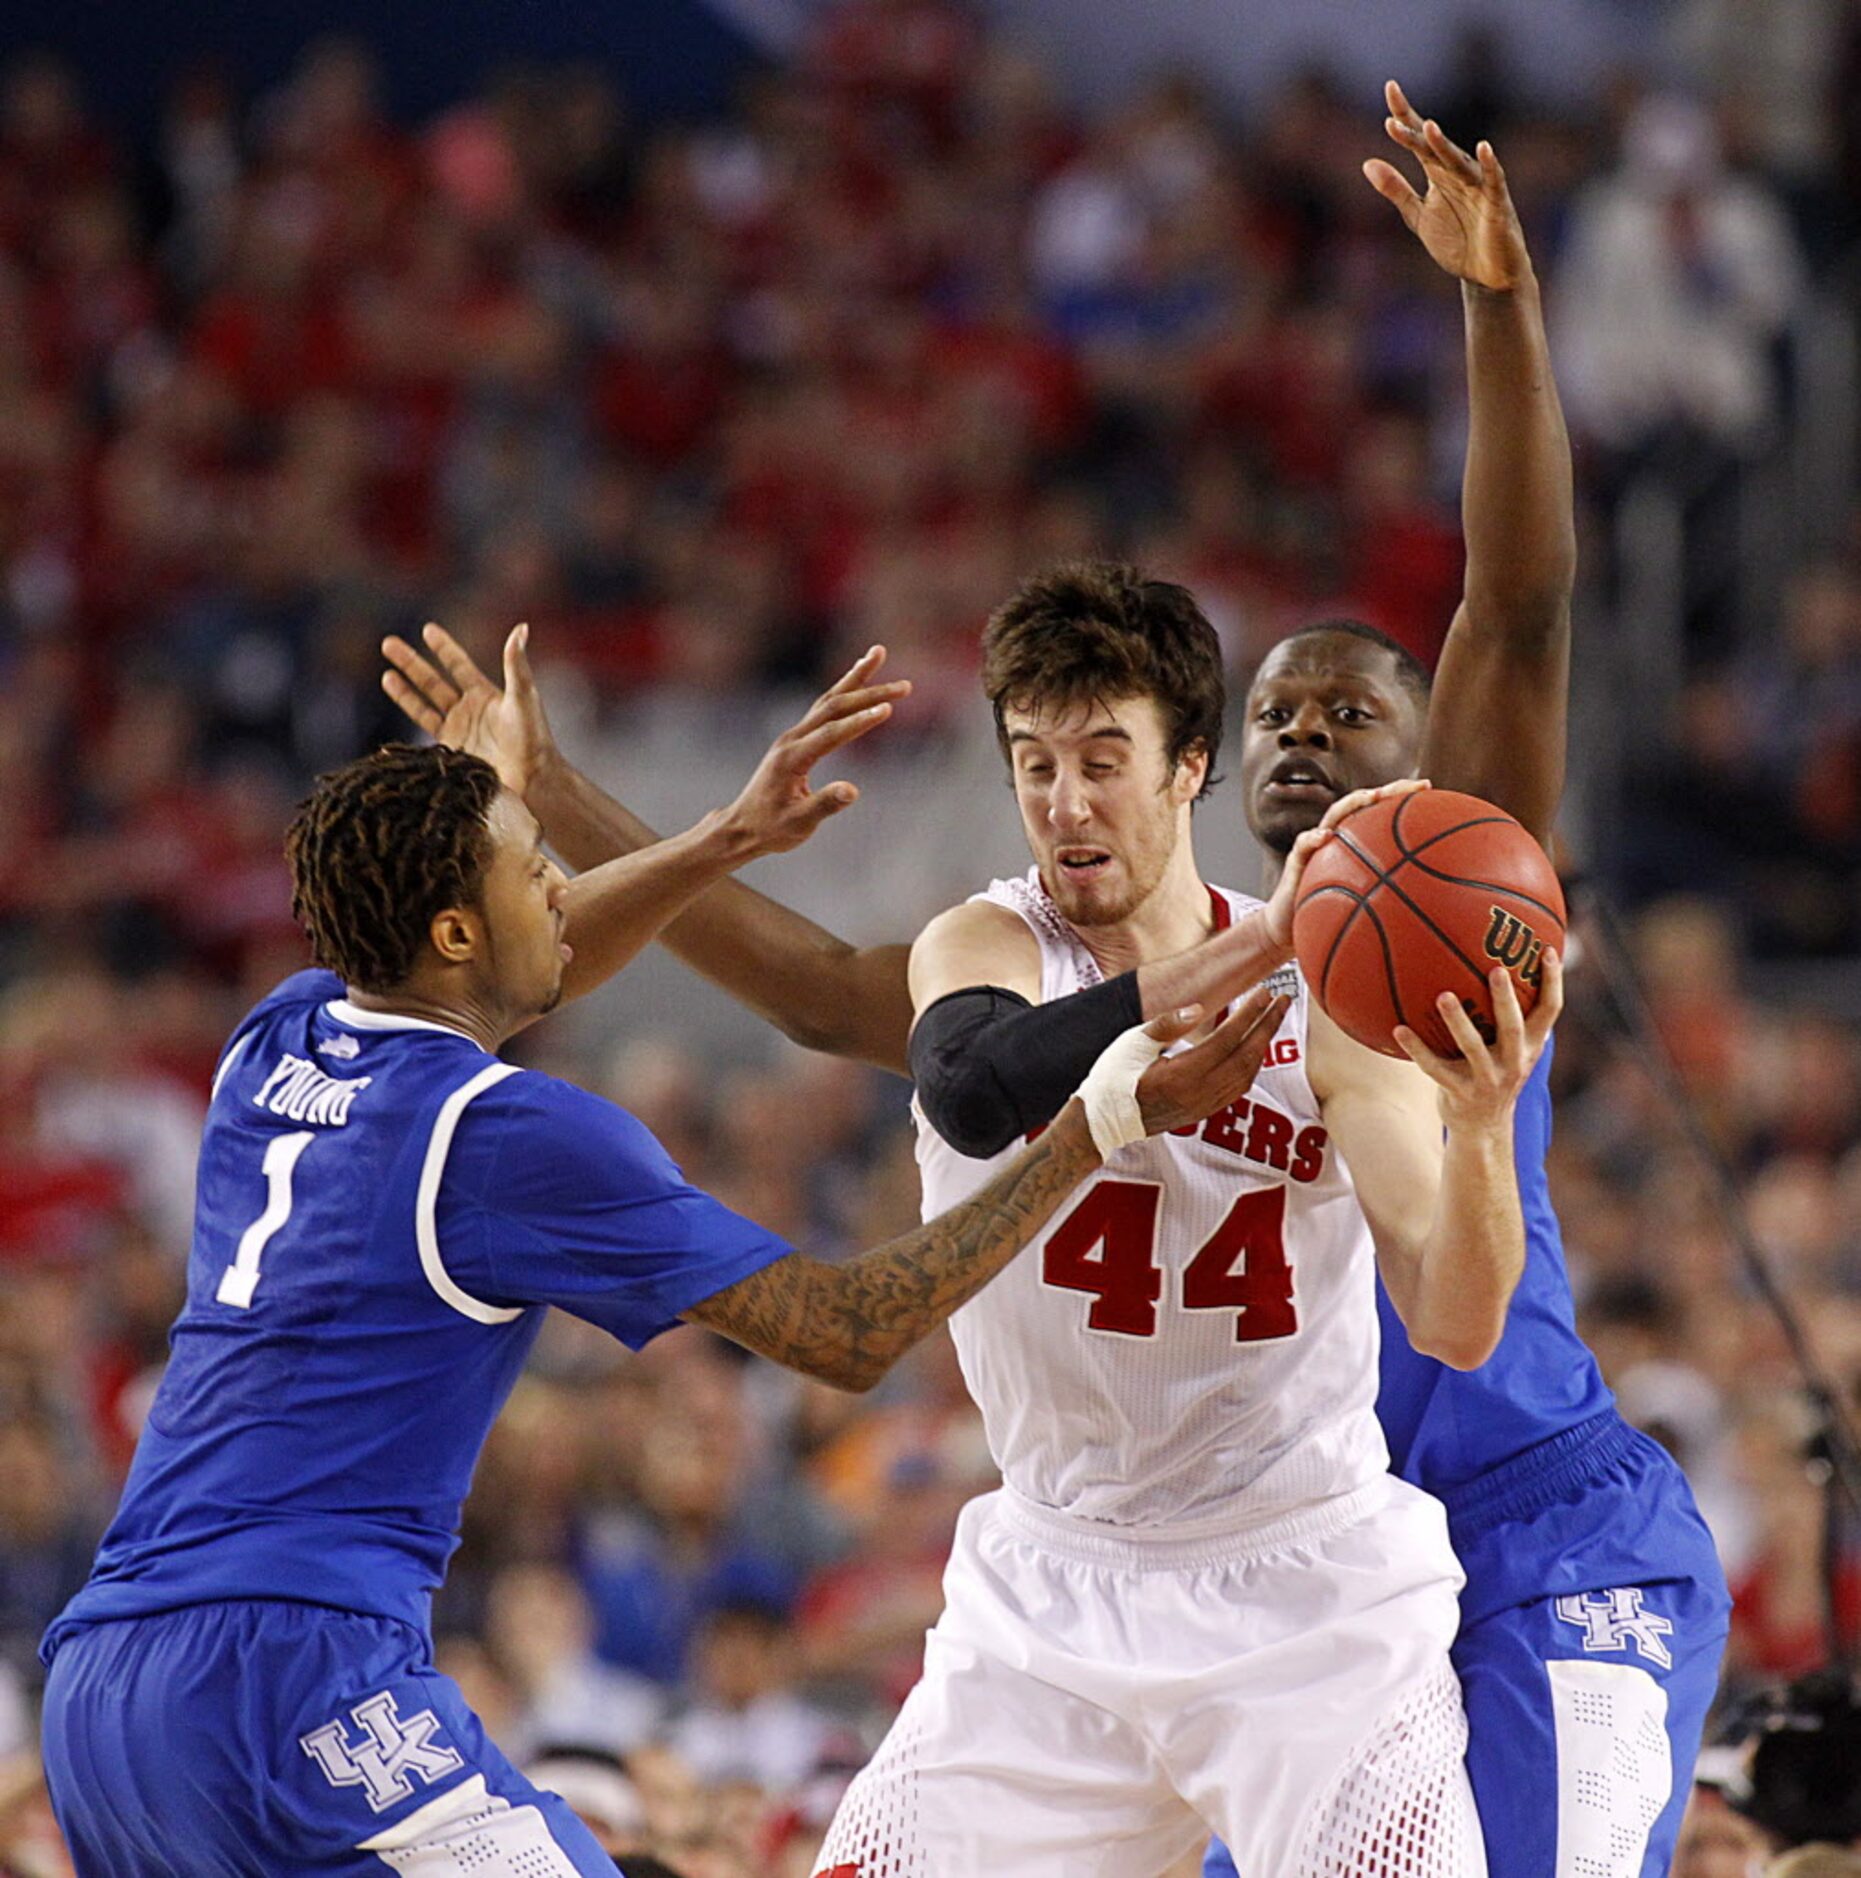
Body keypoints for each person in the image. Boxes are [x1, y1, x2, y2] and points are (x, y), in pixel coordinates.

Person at [384, 82, 1728, 1878]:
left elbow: (1523, 606)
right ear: (1213, 768)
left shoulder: (1411, 915)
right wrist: (550, 791)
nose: (1312, 737)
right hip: (1099, 1579)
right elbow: (836, 1001)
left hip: (1487, 1511)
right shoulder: (1022, 941)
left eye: (1357, 712)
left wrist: (1497, 306)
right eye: (1282, 712)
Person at [36, 665, 1284, 1878]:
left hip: (101, 1691)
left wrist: (722, 839)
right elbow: (848, 1331)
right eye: (537, 873)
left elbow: (518, 954)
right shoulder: (506, 1135)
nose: (561, 892)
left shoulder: (281, 1034)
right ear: (461, 929)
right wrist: (1096, 1126)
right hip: (291, 1674)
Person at [392, 594, 1558, 1874]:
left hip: (1303, 1583)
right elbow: (969, 1081)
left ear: (1186, 772)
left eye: (1102, 763)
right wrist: (1234, 964)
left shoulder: (1325, 1006)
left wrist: (1487, 1125)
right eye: (1034, 764)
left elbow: (1453, 1318)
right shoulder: (989, 942)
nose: (1064, 803)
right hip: (1054, 1592)